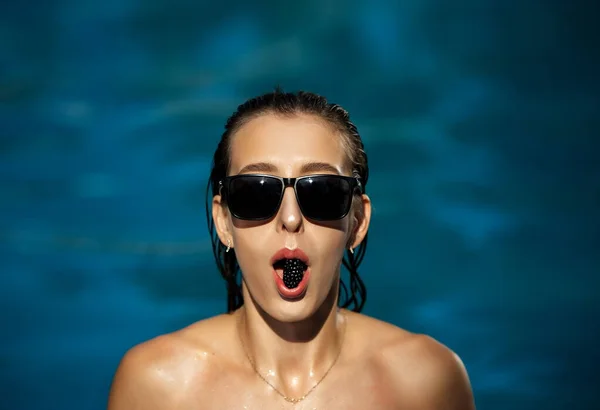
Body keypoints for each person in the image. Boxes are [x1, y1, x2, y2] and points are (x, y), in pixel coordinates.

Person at [107, 89, 476, 409]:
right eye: (256, 192)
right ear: (223, 222)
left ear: (358, 222)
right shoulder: (160, 385)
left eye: (322, 192)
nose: (290, 218)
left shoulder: (425, 381)